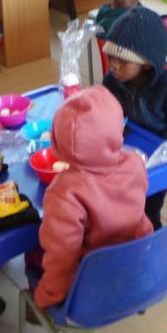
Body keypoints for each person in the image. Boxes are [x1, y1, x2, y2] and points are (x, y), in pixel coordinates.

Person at [32, 86, 153, 309]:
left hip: (94, 286)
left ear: (58, 141)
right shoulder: (135, 163)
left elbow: (62, 255)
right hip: (137, 268)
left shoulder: (64, 192)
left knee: (32, 253)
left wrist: (48, 293)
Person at [101, 7, 167, 228]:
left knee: (147, 204)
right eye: (111, 57)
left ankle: (151, 230)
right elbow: (105, 111)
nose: (114, 65)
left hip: (162, 152)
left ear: (146, 63)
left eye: (123, 61)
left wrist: (161, 150)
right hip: (130, 145)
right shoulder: (112, 81)